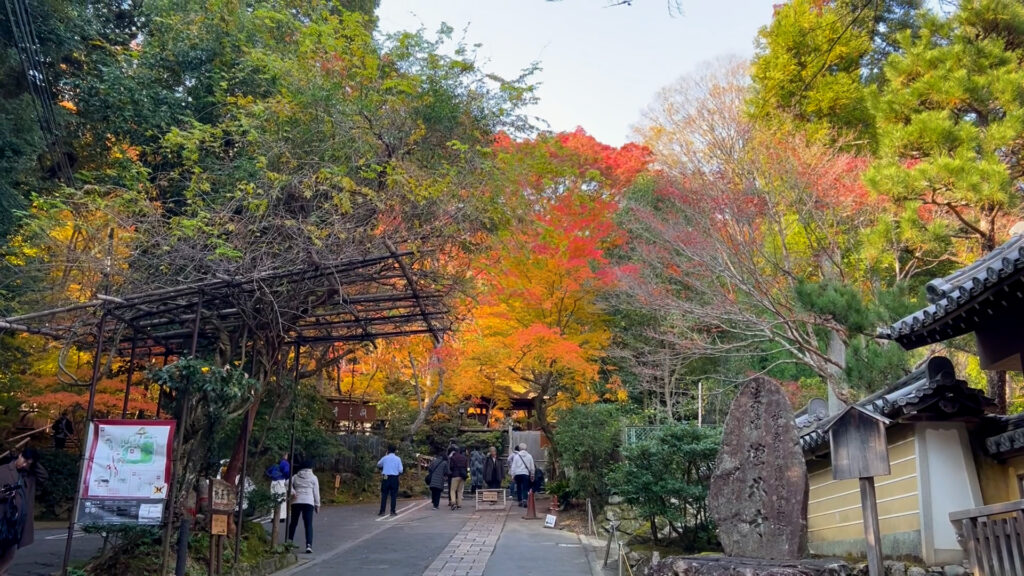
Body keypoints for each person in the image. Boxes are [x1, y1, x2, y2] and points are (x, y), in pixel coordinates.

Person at [0, 448, 47, 575]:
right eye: (24, 460)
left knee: (9, 554)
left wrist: (34, 463)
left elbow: (43, 476)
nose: (24, 464)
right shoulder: (3, 471)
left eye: (28, 463)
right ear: (19, 455)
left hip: (17, 523)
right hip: (2, 520)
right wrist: (4, 494)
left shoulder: (29, 475)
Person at [287, 459, 320, 554]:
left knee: (293, 523)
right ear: (310, 468)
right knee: (308, 524)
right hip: (308, 502)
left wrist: (293, 492)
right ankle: (309, 545)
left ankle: (289, 542)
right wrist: (317, 505)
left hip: (296, 501)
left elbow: (287, 483)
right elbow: (316, 492)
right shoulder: (314, 478)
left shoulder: (295, 476)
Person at [376, 445, 403, 516]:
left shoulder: (385, 458)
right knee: (393, 495)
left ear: (388, 450)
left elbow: (378, 464)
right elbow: (401, 470)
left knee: (384, 494)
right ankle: (392, 511)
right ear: (395, 451)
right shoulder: (398, 459)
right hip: (394, 477)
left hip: (386, 477)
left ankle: (382, 511)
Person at [509, 443, 535, 508]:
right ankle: (525, 500)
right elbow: (532, 466)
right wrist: (532, 474)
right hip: (525, 474)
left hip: (517, 473)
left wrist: (512, 475)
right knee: (525, 487)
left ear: (520, 448)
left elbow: (513, 466)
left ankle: (520, 500)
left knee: (518, 487)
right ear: (526, 448)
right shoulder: (529, 456)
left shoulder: (516, 456)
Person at [266, 453, 290, 522]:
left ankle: (273, 516)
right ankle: (281, 517)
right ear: (284, 455)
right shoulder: (285, 463)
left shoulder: (275, 463)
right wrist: (286, 477)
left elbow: (268, 471)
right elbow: (286, 471)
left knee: (273, 499)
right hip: (281, 482)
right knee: (282, 499)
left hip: (273, 482)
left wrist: (272, 476)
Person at [447, 446, 468, 510]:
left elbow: (451, 467)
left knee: (453, 490)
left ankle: (453, 503)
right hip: (463, 475)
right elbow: (466, 467)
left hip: (455, 475)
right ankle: (459, 505)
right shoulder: (464, 458)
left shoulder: (453, 458)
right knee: (459, 491)